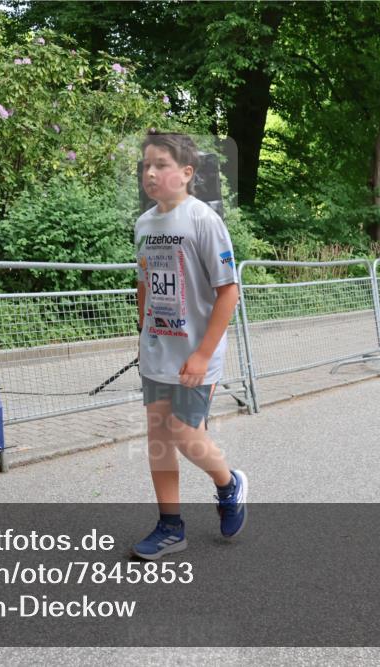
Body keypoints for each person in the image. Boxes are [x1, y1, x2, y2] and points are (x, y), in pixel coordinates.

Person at [132, 130, 247, 560]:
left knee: (183, 433)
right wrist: (142, 334)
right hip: (157, 353)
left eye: (160, 164)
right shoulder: (144, 224)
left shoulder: (203, 220)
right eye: (146, 165)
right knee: (159, 440)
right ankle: (169, 526)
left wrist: (202, 354)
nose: (150, 172)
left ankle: (228, 483)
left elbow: (228, 292)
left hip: (198, 354)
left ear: (186, 172)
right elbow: (144, 283)